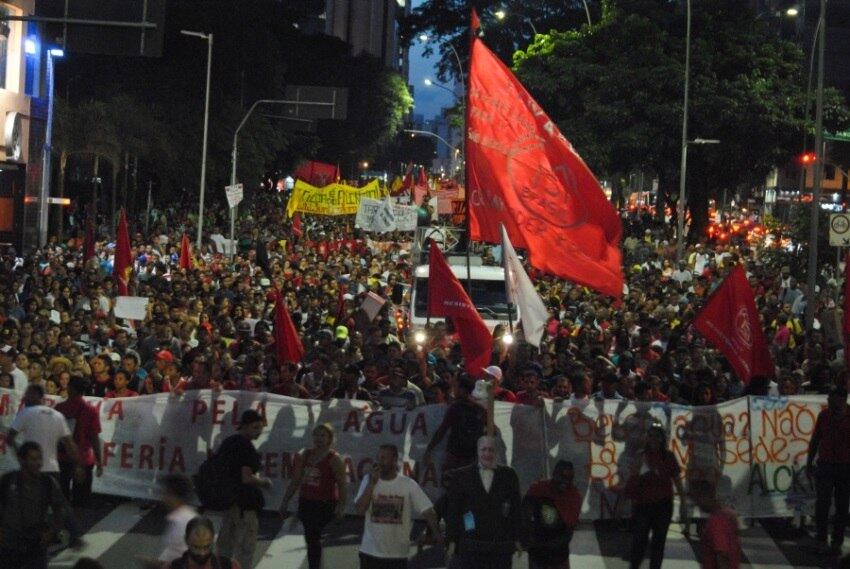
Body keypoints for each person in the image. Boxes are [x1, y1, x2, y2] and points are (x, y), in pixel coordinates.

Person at [355, 444, 442, 569]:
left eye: (384, 458)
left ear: (395, 460)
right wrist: (372, 484)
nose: (379, 462)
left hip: (397, 555)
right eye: (378, 458)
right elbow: (359, 510)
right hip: (370, 552)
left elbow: (428, 510)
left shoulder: (408, 484)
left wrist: (436, 534)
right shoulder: (368, 480)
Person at [445, 435, 522, 569]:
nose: (487, 454)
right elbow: (453, 510)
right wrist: (451, 540)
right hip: (470, 545)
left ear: (496, 452)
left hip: (500, 547)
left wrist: (518, 538)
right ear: (477, 451)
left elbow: (516, 509)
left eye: (491, 450)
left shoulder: (509, 475)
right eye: (483, 449)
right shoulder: (461, 476)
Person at [279, 424, 348, 569]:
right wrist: (285, 501)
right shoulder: (305, 454)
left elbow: (342, 484)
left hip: (324, 503)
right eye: (317, 435)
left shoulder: (334, 459)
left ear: (330, 438)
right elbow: (296, 479)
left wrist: (341, 506)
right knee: (311, 538)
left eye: (323, 435)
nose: (319, 439)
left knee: (313, 535)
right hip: (306, 502)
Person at [216, 410, 272, 569]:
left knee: (224, 546)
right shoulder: (246, 446)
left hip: (228, 500)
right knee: (245, 548)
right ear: (245, 426)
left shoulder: (228, 442)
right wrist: (263, 483)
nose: (259, 432)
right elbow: (246, 477)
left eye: (261, 428)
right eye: (255, 427)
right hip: (245, 504)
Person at [624, 423, 684, 569]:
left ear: (662, 439)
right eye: (650, 436)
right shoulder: (640, 455)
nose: (653, 439)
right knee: (639, 542)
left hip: (663, 506)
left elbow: (676, 480)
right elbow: (632, 479)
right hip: (643, 506)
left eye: (657, 436)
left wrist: (683, 502)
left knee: (658, 542)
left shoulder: (668, 457)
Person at [0, 442, 67, 569]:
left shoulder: (47, 483)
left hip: (36, 545)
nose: (38, 463)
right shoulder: (7, 481)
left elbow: (60, 508)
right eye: (33, 459)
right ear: (21, 460)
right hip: (9, 545)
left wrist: (53, 531)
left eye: (39, 458)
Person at [807, 385, 850, 555]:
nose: (827, 401)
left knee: (842, 505)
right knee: (822, 503)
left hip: (845, 467)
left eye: (830, 399)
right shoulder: (824, 415)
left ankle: (837, 541)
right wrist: (810, 462)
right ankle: (821, 538)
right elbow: (815, 440)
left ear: (842, 399)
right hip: (825, 464)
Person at [522, 460, 582, 569]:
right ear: (554, 474)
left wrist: (539, 544)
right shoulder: (537, 489)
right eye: (562, 476)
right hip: (538, 555)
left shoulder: (574, 496)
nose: (565, 481)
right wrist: (529, 540)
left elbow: (568, 533)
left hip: (558, 556)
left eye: (569, 478)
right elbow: (524, 517)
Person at [55, 376, 103, 506]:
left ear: (70, 388)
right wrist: (99, 461)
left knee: (61, 498)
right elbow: (94, 438)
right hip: (83, 459)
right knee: (81, 500)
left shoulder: (59, 408)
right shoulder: (91, 410)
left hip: (62, 457)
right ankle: (78, 523)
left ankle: (61, 523)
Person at [423, 374, 487, 471]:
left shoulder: (456, 408)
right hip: (474, 457)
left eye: (456, 387)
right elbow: (491, 431)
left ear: (462, 389)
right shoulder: (481, 409)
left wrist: (429, 449)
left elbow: (442, 431)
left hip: (456, 457)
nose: (454, 391)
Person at [139, 474, 198, 567]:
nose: (163, 497)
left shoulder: (185, 522)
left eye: (165, 492)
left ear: (174, 495)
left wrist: (156, 564)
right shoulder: (180, 517)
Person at [689, 480, 740, 569]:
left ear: (705, 496)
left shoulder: (716, 522)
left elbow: (722, 555)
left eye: (696, 498)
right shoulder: (727, 515)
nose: (696, 503)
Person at [167, 515, 240, 569]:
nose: (202, 553)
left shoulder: (229, 565)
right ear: (186, 540)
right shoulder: (173, 567)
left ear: (212, 541)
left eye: (206, 547)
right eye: (196, 547)